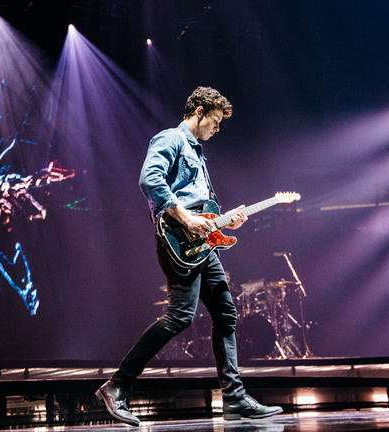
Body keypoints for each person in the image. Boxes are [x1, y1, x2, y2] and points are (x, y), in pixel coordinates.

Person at [95, 86, 283, 425]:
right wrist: (185, 217)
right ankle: (117, 386)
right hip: (177, 238)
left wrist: (224, 220)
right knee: (181, 316)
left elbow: (202, 207)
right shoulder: (171, 139)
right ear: (197, 111)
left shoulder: (198, 152)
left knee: (226, 313)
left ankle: (235, 398)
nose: (217, 128)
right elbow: (148, 179)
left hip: (202, 242)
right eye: (214, 120)